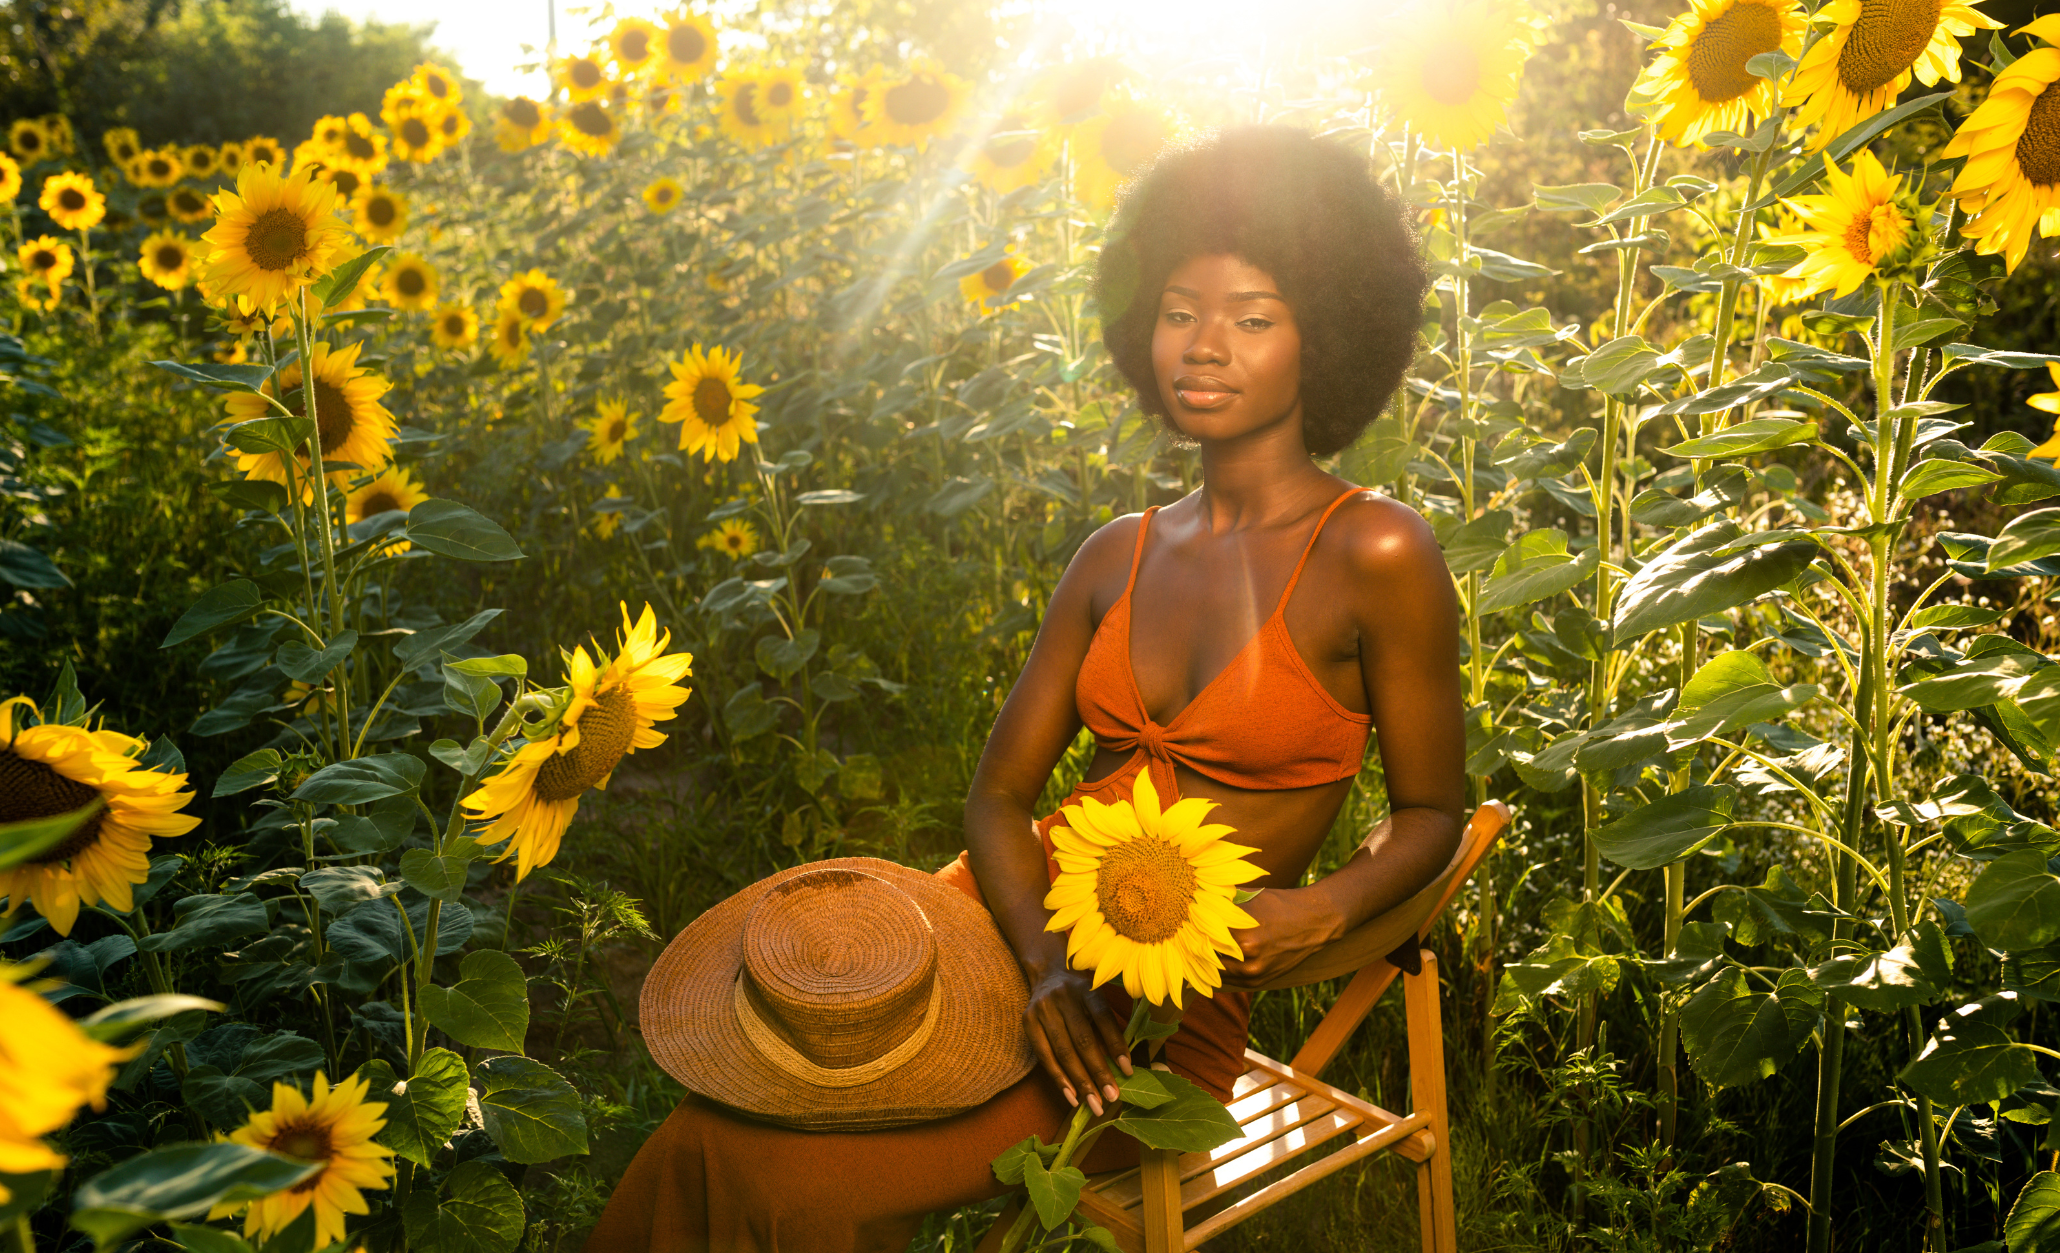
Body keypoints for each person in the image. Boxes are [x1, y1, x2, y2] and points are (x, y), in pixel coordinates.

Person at [582, 123, 1464, 1253]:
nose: (1202, 345)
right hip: (1001, 935)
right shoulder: (1114, 552)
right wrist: (1040, 970)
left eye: (1252, 317)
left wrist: (1319, 907)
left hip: (1154, 1015)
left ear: (1326, 338)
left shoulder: (1376, 553)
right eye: (1178, 309)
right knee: (706, 1135)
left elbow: (1435, 809)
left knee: (803, 1190)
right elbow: (998, 796)